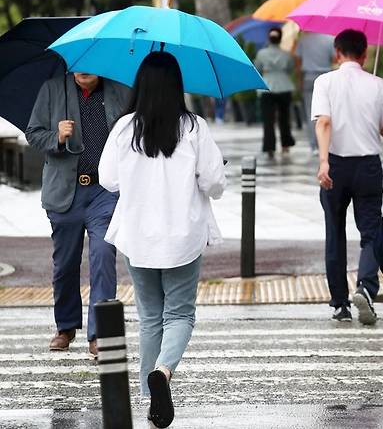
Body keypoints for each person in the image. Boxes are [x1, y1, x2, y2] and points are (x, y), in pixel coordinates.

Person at [99, 52, 226, 428]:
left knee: (150, 315)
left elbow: (108, 179)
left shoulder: (124, 128)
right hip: (182, 235)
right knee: (181, 313)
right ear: (177, 86)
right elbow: (213, 182)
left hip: (138, 235)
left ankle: (149, 397)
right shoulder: (193, 127)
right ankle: (164, 373)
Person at [25, 72, 130, 356]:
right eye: (78, 64)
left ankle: (101, 333)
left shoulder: (120, 91)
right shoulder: (51, 89)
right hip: (65, 192)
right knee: (65, 264)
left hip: (104, 191)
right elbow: (33, 133)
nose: (84, 69)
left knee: (103, 256)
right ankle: (66, 326)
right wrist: (56, 136)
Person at [313, 29, 383, 325]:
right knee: (371, 232)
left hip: (335, 165)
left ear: (337, 52)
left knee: (334, 233)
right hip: (367, 166)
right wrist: (374, 120)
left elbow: (324, 122)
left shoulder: (324, 82)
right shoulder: (379, 85)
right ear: (365, 55)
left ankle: (340, 304)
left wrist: (324, 162)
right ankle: (365, 285)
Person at [254, 27, 296, 159]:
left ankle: (269, 147)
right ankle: (286, 145)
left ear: (269, 38)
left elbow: (258, 68)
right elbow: (290, 68)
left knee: (268, 120)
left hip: (267, 87)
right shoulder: (286, 54)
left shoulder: (261, 54)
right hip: (284, 86)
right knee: (285, 118)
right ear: (280, 38)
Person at [294, 32, 335, 155]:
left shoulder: (303, 39)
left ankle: (314, 146)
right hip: (326, 77)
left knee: (310, 112)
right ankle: (326, 143)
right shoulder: (330, 39)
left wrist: (299, 80)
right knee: (327, 112)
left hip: (308, 77)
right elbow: (334, 58)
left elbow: (297, 60)